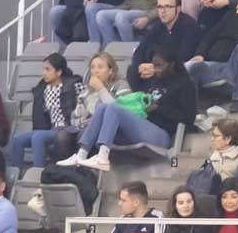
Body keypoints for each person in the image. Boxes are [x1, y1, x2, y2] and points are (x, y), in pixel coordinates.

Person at [60, 45, 195, 171]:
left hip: (162, 134)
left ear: (172, 64)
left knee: (113, 108)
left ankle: (102, 157)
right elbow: (133, 76)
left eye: (160, 65)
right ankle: (81, 155)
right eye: (154, 65)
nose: (156, 69)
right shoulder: (155, 80)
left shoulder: (185, 84)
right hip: (142, 126)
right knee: (102, 108)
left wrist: (158, 108)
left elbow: (188, 118)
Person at [6, 52, 80, 171]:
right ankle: (15, 175)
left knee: (38, 137)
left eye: (48, 69)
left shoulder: (73, 85)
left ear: (59, 72)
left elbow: (86, 97)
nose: (44, 73)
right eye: (43, 69)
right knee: (18, 139)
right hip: (50, 127)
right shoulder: (44, 89)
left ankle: (38, 174)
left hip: (66, 127)